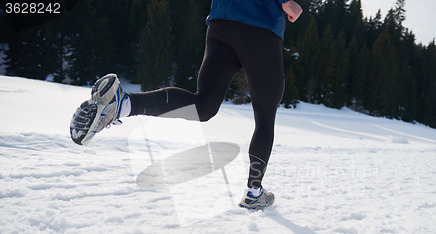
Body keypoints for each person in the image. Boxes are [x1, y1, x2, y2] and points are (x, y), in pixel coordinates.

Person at [70, 0, 303, 209]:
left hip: (221, 24)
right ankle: (254, 192)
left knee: (203, 105)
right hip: (259, 25)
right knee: (265, 117)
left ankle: (123, 105)